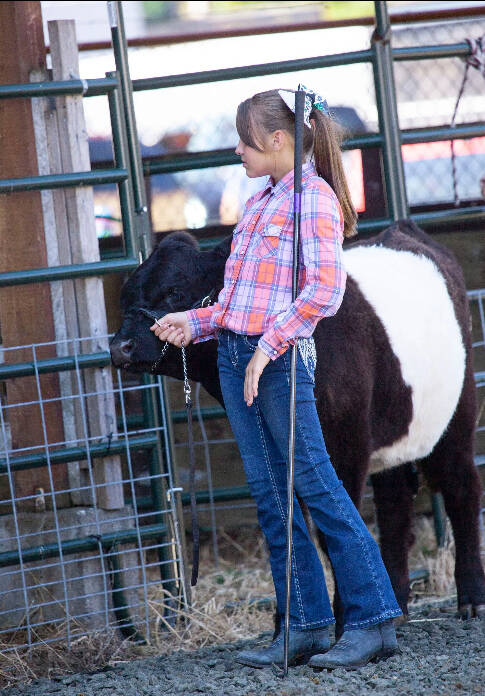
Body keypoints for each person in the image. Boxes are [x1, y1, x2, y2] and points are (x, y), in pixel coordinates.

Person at [150, 86, 402, 670]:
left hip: (277, 363)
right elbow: (244, 299)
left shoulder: (311, 199)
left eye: (246, 141)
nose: (238, 150)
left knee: (317, 488)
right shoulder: (263, 199)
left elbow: (324, 288)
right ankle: (306, 624)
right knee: (270, 498)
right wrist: (195, 321)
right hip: (241, 355)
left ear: (279, 141)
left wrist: (268, 347)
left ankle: (371, 618)